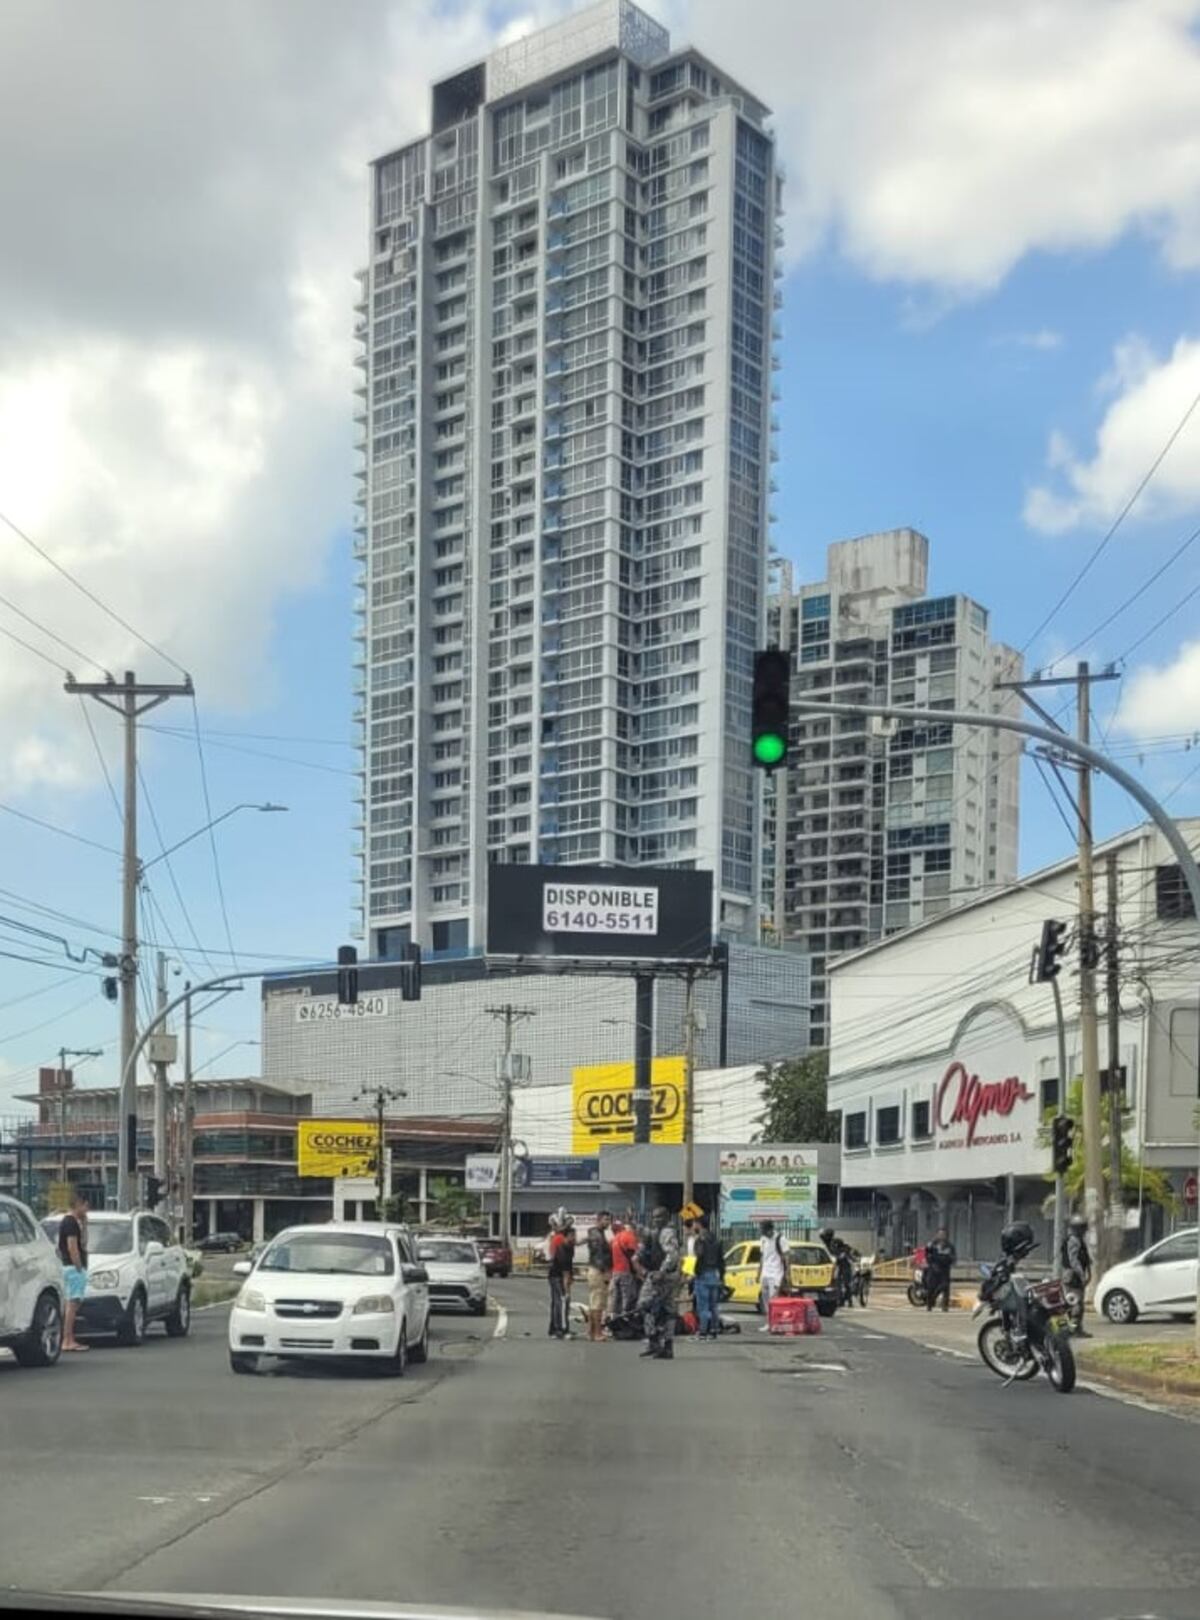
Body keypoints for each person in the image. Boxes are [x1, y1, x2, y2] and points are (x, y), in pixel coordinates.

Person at [639, 1206, 680, 1360]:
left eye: (659, 1217)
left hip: (662, 1277)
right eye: (654, 1217)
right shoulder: (657, 1232)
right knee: (668, 1310)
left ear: (667, 1218)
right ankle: (666, 1346)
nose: (656, 1220)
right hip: (664, 1275)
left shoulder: (667, 1233)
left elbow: (672, 1255)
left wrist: (661, 1272)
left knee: (645, 1304)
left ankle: (654, 1340)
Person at [58, 1188, 90, 1353]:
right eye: (85, 1206)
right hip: (73, 1268)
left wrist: (84, 1224)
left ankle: (69, 1338)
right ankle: (67, 1339)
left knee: (73, 1303)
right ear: (78, 1204)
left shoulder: (73, 1222)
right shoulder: (70, 1222)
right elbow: (73, 1247)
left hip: (72, 1267)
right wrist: (78, 1266)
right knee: (73, 1304)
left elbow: (82, 1242)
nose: (87, 1210)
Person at [689, 1213, 725, 1341]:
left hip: (703, 1274)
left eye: (694, 1223)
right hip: (715, 1274)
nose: (693, 1226)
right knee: (713, 1305)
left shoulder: (700, 1240)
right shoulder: (716, 1239)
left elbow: (699, 1256)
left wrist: (695, 1271)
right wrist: (722, 1276)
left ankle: (703, 1331)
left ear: (699, 1224)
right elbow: (722, 1260)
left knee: (703, 1305)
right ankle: (714, 1330)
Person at [584, 1210, 613, 1342]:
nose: (608, 1222)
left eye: (609, 1220)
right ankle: (597, 1332)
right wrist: (605, 1271)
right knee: (598, 1302)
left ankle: (591, 1331)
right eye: (605, 1219)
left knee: (594, 1301)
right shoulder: (597, 1235)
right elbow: (599, 1255)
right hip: (598, 1271)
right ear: (599, 1220)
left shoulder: (597, 1233)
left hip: (595, 1269)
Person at [1062, 1214, 1092, 1336]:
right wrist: (1081, 1274)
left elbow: (1084, 1258)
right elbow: (1073, 1260)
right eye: (1082, 1228)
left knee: (1077, 1305)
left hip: (1074, 1276)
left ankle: (1075, 1329)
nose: (1084, 1231)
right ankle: (1074, 1329)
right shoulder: (1073, 1240)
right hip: (1072, 1276)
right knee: (1075, 1305)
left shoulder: (1079, 1240)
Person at [757, 1219, 789, 1330]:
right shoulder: (763, 1240)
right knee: (765, 1299)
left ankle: (775, 1322)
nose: (761, 1231)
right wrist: (759, 1272)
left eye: (762, 1229)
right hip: (765, 1273)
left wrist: (787, 1274)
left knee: (773, 1299)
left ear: (768, 1229)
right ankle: (769, 1322)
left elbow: (786, 1257)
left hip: (776, 1274)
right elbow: (762, 1257)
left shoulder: (780, 1238)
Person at [547, 1214, 575, 1339]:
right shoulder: (560, 1242)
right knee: (561, 1302)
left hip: (556, 1274)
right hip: (557, 1275)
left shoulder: (562, 1242)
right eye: (573, 1236)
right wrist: (567, 1288)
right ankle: (560, 1329)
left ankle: (554, 1329)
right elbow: (565, 1271)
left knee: (556, 1302)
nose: (575, 1238)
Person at [608, 1216, 640, 1323]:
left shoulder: (615, 1239)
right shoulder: (629, 1236)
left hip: (615, 1271)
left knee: (615, 1297)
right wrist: (637, 1271)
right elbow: (633, 1256)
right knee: (628, 1296)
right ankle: (625, 1320)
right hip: (626, 1271)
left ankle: (614, 1320)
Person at [924, 1225, 957, 1313]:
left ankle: (945, 1306)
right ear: (937, 1235)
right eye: (940, 1234)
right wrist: (931, 1263)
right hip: (934, 1269)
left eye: (943, 1234)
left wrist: (950, 1261)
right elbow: (927, 1254)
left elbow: (953, 1257)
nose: (942, 1236)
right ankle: (929, 1305)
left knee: (945, 1287)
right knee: (931, 1288)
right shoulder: (932, 1245)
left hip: (944, 1270)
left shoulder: (950, 1246)